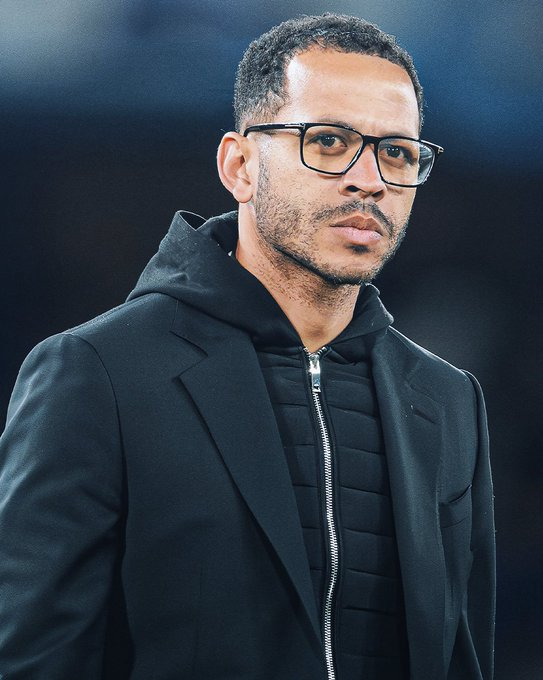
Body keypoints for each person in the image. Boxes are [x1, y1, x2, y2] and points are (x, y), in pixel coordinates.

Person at [0, 13, 495, 680]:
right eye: (329, 142)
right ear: (239, 165)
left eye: (398, 153)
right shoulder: (99, 374)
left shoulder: (446, 398)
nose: (370, 179)